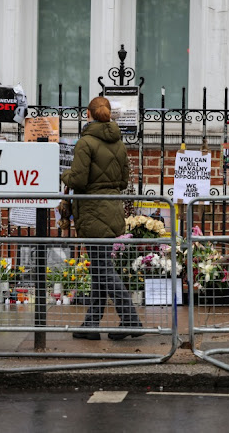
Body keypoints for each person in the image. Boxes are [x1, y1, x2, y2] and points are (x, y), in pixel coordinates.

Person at [61, 96, 141, 341]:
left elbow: (79, 179)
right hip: (111, 208)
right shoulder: (119, 142)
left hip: (93, 210)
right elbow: (123, 181)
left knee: (103, 270)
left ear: (89, 113)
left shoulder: (85, 142)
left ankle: (131, 320)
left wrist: (65, 175)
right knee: (99, 269)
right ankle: (91, 324)